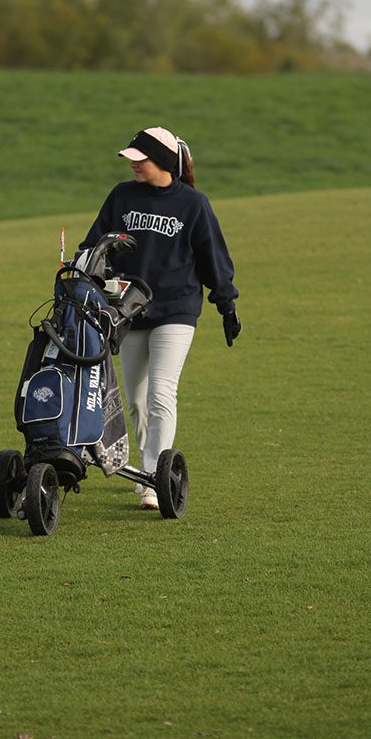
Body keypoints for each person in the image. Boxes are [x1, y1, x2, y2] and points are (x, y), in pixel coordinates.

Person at [79, 126, 241, 510]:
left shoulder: (194, 204)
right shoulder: (121, 196)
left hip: (177, 309)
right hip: (128, 309)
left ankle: (154, 478)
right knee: (134, 399)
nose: (134, 165)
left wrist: (227, 304)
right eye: (132, 159)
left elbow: (212, 258)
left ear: (164, 162)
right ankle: (147, 471)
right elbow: (95, 243)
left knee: (161, 392)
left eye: (142, 159)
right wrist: (86, 268)